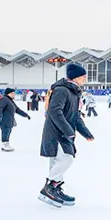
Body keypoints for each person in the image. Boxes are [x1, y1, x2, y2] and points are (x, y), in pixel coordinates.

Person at [39, 64, 94, 207]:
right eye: (83, 76)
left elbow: (75, 116)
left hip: (63, 132)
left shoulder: (73, 92)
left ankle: (55, 189)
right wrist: (68, 130)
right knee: (66, 159)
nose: (84, 79)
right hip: (57, 132)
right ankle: (49, 187)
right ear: (75, 77)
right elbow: (54, 111)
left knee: (57, 161)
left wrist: (85, 133)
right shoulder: (62, 90)